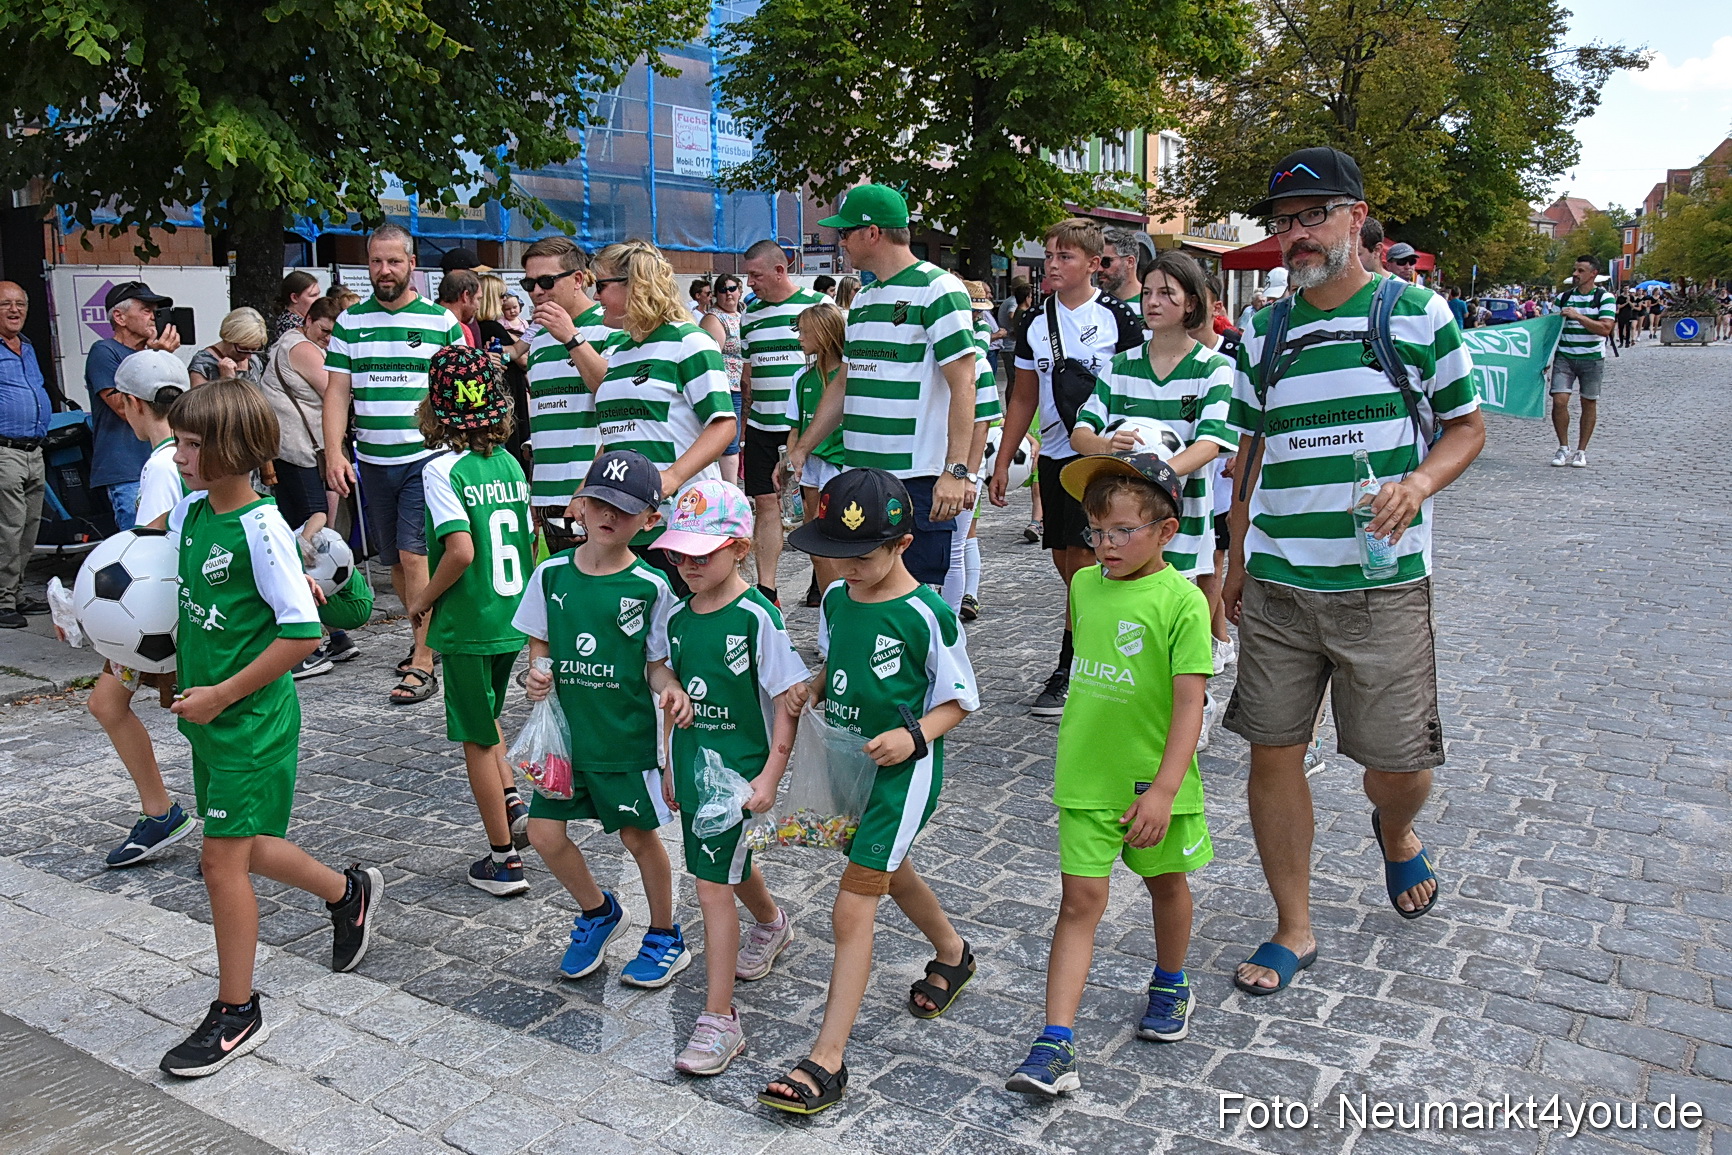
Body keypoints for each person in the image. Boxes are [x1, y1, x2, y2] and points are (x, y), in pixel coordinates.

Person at [1222, 146, 1484, 997]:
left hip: (1382, 584)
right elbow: (1247, 455)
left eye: (1314, 216)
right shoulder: (1261, 331)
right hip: (1280, 584)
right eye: (1285, 221)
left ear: (1357, 215)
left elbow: (1466, 427)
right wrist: (1234, 559)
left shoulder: (1415, 314)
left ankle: (1397, 832)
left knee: (1399, 769)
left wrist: (1418, 481)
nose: (1297, 235)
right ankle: (1294, 927)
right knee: (1274, 753)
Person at [156, 378, 384, 1078]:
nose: (179, 455)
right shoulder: (192, 515)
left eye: (193, 444)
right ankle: (348, 891)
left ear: (233, 449)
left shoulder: (258, 529)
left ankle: (237, 1010)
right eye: (179, 439)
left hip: (250, 720)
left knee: (220, 860)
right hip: (211, 718)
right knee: (248, 847)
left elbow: (301, 632)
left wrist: (222, 692)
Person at [759, 467, 979, 1115]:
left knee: (852, 907)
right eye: (836, 554)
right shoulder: (834, 600)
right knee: (888, 868)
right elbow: (840, 660)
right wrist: (816, 688)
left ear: (903, 545)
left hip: (902, 774)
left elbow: (961, 698)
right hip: (853, 760)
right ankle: (953, 951)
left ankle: (827, 1059)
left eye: (862, 555)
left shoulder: (927, 614)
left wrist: (915, 737)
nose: (846, 567)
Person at [1005, 453, 1211, 1097]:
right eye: (1097, 531)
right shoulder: (1085, 585)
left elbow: (1189, 702)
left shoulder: (1183, 601)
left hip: (1154, 786)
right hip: (1086, 781)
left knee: (1166, 887)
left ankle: (1172, 981)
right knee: (1079, 903)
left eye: (1123, 531)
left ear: (1166, 531)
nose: (1107, 545)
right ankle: (1055, 1041)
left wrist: (1167, 790)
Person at [513, 449, 692, 986]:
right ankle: (597, 911)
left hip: (623, 740)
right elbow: (538, 647)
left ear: (650, 521)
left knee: (639, 838)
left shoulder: (651, 587)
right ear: (579, 506)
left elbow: (656, 666)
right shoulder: (550, 574)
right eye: (597, 502)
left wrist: (672, 689)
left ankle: (665, 934)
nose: (607, 515)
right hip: (567, 742)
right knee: (544, 833)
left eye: (624, 508)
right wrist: (536, 676)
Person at [654, 479, 808, 1075]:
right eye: (679, 553)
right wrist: (669, 741)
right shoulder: (680, 615)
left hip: (736, 777)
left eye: (703, 553)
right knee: (727, 865)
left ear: (740, 548)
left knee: (711, 885)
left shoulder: (757, 618)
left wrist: (770, 774)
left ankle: (721, 1017)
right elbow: (664, 674)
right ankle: (772, 923)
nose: (688, 565)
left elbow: (787, 701)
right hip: (693, 771)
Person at [1070, 250, 1236, 745]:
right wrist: (1104, 446)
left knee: (1175, 617)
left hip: (1180, 522)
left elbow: (1210, 443)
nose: (1153, 301)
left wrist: (1154, 474)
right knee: (1130, 611)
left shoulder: (1214, 368)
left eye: (1167, 292)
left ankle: (1193, 706)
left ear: (1191, 304)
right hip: (1124, 521)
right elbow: (1081, 432)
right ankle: (1135, 706)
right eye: (1147, 292)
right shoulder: (1120, 367)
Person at [789, 185, 980, 603]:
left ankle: (936, 669)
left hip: (915, 476)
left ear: (871, 233)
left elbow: (965, 382)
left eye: (846, 233)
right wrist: (803, 448)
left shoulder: (939, 288)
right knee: (864, 593)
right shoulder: (863, 298)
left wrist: (957, 470)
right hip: (861, 477)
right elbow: (844, 382)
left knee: (915, 600)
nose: (840, 242)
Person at [990, 217, 1143, 720]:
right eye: (1049, 255)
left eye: (1065, 257)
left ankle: (1073, 662)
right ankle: (1097, 642)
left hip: (1104, 455)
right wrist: (1005, 456)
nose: (1053, 264)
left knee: (1086, 558)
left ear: (1094, 265)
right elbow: (1024, 395)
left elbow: (1139, 383)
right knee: (1066, 560)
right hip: (1056, 454)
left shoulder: (1118, 316)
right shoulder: (1036, 323)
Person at [405, 345, 534, 896]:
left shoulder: (440, 469)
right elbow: (528, 538)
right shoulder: (508, 463)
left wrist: (423, 601)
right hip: (511, 614)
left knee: (476, 739)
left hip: (468, 622)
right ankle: (512, 803)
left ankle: (502, 861)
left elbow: (458, 550)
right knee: (491, 718)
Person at [322, 224, 466, 705]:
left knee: (413, 556)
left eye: (394, 261)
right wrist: (335, 451)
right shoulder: (348, 323)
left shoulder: (440, 322)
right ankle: (426, 635)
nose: (385, 271)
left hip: (425, 459)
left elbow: (458, 390)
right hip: (372, 462)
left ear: (412, 264)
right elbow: (337, 392)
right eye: (376, 262)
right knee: (396, 566)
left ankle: (423, 661)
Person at [73, 350, 195, 867]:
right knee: (107, 704)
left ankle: (174, 815)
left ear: (126, 403)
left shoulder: (160, 463)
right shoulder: (189, 451)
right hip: (168, 613)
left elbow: (151, 551)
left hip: (162, 614)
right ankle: (163, 811)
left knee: (113, 705)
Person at [587, 241, 736, 594]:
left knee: (682, 630)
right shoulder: (617, 350)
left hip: (681, 516)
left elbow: (723, 423)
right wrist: (587, 490)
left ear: (634, 285)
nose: (595, 298)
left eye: (601, 285)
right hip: (624, 516)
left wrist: (672, 476)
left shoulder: (691, 342)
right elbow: (617, 431)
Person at [737, 239, 827, 605]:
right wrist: (746, 423)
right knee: (766, 503)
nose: (749, 283)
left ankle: (822, 578)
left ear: (780, 270)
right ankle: (768, 588)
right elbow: (747, 377)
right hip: (762, 425)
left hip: (806, 427)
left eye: (755, 275)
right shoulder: (750, 315)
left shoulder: (817, 306)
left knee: (814, 504)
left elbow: (834, 366)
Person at [513, 236, 615, 539]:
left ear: (578, 279)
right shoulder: (540, 337)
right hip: (547, 493)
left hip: (591, 492)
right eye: (528, 284)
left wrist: (572, 338)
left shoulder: (609, 325)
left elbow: (612, 394)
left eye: (546, 281)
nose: (537, 292)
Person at [87, 281, 181, 530]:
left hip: (167, 459)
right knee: (140, 541)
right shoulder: (104, 351)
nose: (154, 317)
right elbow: (122, 407)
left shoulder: (154, 354)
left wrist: (160, 357)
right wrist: (153, 357)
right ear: (119, 317)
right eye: (147, 309)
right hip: (127, 469)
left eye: (156, 310)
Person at [945, 281, 1003, 618]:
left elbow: (983, 423)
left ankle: (951, 624)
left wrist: (967, 475)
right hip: (926, 464)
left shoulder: (977, 360)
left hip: (961, 467)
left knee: (955, 548)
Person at [261, 298, 341, 534]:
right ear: (308, 320)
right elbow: (336, 393)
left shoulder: (294, 341)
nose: (327, 339)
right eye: (324, 330)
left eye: (334, 335)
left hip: (288, 445)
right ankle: (310, 565)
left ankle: (295, 564)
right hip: (297, 447)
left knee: (294, 518)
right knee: (315, 516)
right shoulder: (302, 348)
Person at [787, 302, 848, 605]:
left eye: (805, 332)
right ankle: (828, 612)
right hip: (809, 464)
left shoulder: (848, 377)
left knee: (833, 539)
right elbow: (796, 427)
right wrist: (788, 461)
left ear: (824, 334)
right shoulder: (802, 377)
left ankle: (839, 611)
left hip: (838, 463)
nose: (799, 338)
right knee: (813, 538)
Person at [0, 281, 51, 628]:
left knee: (30, 527)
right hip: (5, 450)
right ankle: (3, 600)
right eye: (5, 304)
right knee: (9, 527)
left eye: (20, 303)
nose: (15, 310)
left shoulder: (27, 347)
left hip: (35, 450)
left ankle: (15, 593)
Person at [1550, 255, 1616, 469]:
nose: (1575, 274)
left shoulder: (1605, 298)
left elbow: (1605, 328)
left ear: (1593, 273)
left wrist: (1578, 317)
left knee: (1589, 402)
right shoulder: (1563, 297)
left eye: (1580, 270)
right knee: (1559, 401)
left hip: (1592, 358)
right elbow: (1550, 329)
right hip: (1564, 357)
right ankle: (1563, 447)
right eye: (1575, 270)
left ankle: (1581, 450)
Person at [700, 275, 747, 488]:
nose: (728, 293)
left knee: (737, 441)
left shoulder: (743, 315)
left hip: (743, 386)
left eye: (732, 288)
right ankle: (730, 490)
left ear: (740, 290)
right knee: (729, 444)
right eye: (722, 289)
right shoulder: (714, 318)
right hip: (725, 389)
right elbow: (711, 359)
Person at [187, 308, 268, 387]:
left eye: (254, 350)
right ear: (228, 339)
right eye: (243, 349)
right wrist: (226, 381)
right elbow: (200, 400)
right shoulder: (202, 364)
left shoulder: (254, 361)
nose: (248, 356)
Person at [270, 272, 321, 346]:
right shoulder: (291, 326)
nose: (318, 299)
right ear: (294, 297)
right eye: (313, 295)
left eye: (318, 294)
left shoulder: (301, 321)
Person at [1100, 228, 1149, 306]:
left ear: (1130, 262)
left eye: (1106, 261)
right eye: (1096, 262)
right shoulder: (1095, 305)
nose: (1099, 269)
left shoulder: (1150, 303)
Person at [437, 269, 483, 348]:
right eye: (478, 299)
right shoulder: (461, 331)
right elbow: (466, 360)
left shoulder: (424, 320)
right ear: (466, 295)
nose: (478, 307)